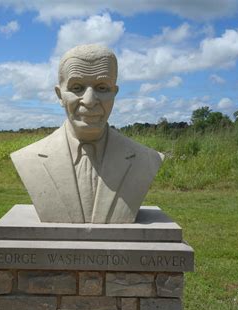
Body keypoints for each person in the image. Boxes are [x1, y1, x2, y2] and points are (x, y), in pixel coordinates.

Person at [11, 44, 163, 223]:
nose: (89, 101)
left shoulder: (145, 159)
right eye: (77, 88)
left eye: (102, 88)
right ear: (60, 96)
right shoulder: (29, 158)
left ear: (114, 93)